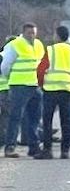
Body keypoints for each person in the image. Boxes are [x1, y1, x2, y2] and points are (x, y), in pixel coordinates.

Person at [35, 26, 70, 160]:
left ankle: (47, 150)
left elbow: (41, 69)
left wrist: (41, 84)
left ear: (57, 36)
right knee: (66, 120)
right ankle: (65, 150)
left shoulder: (51, 50)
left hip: (50, 90)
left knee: (47, 120)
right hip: (67, 89)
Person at [1, 22, 45, 158]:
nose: (31, 35)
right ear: (24, 32)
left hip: (34, 85)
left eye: (33, 32)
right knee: (16, 117)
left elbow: (40, 63)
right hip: (19, 85)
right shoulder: (15, 45)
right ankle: (10, 147)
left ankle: (34, 146)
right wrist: (11, 78)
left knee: (35, 117)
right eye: (29, 32)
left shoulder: (38, 45)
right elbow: (5, 66)